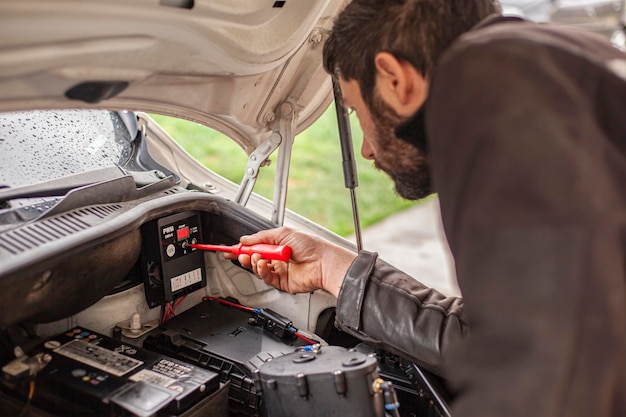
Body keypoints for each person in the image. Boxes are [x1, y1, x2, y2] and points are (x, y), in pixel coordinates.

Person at [227, 0, 626, 415]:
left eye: (356, 111)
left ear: (394, 78)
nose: (364, 149)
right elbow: (500, 341)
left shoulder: (499, 122)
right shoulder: (552, 66)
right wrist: (333, 268)